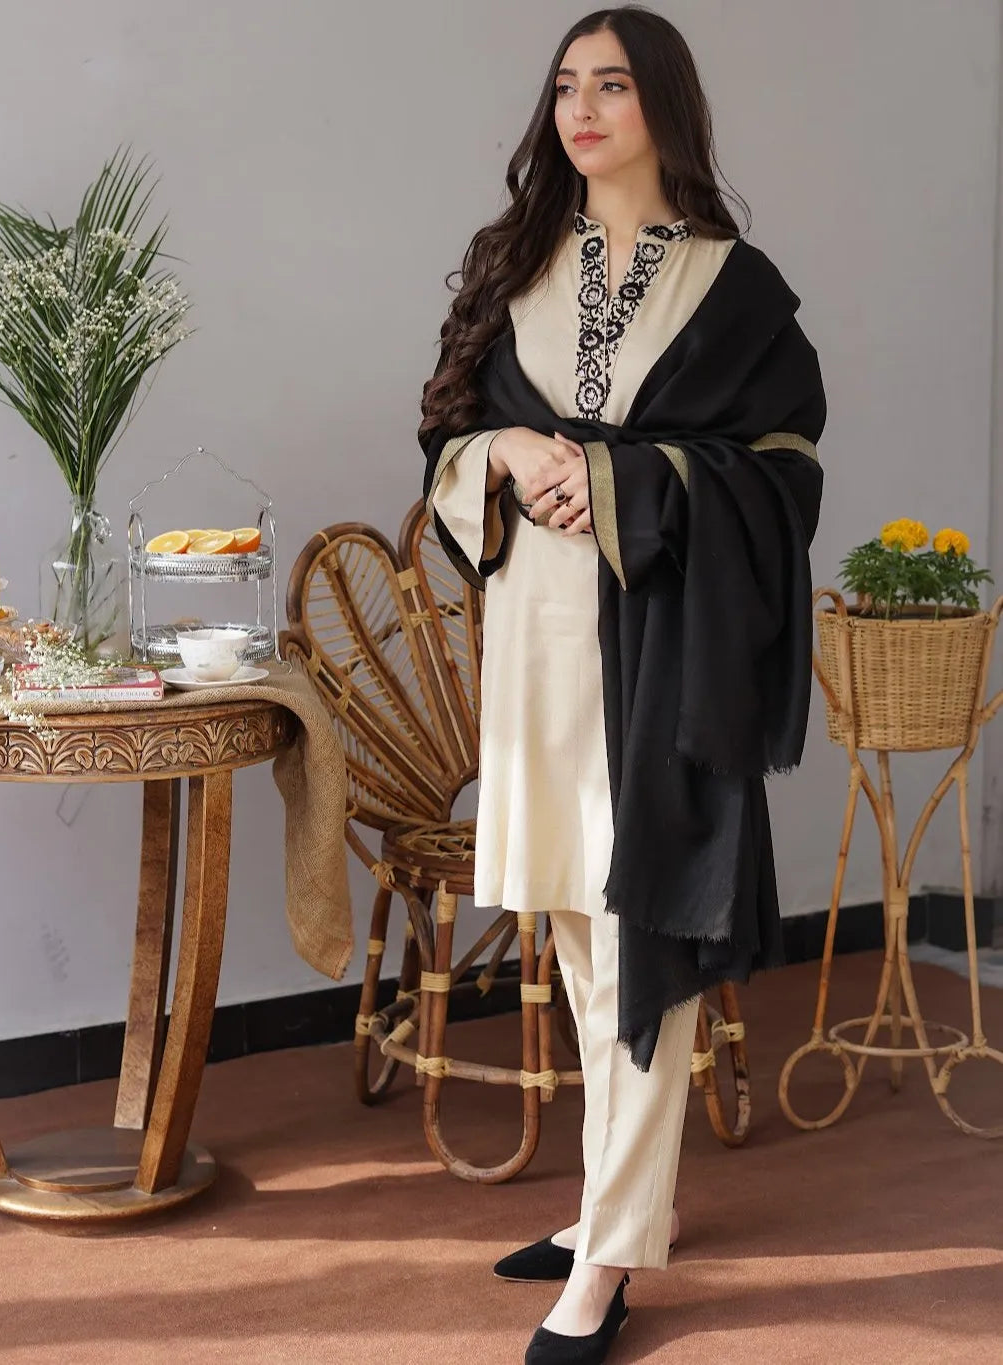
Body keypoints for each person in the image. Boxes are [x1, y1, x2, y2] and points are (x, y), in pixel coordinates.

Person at [419, 7, 825, 1363]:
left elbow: (782, 473)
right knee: (584, 940)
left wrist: (615, 478)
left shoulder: (735, 287)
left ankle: (605, 1261)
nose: (580, 108)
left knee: (642, 925)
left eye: (612, 84)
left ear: (662, 103)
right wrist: (503, 457)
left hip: (667, 654)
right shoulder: (513, 261)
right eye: (564, 87)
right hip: (536, 645)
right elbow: (446, 435)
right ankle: (609, 1199)